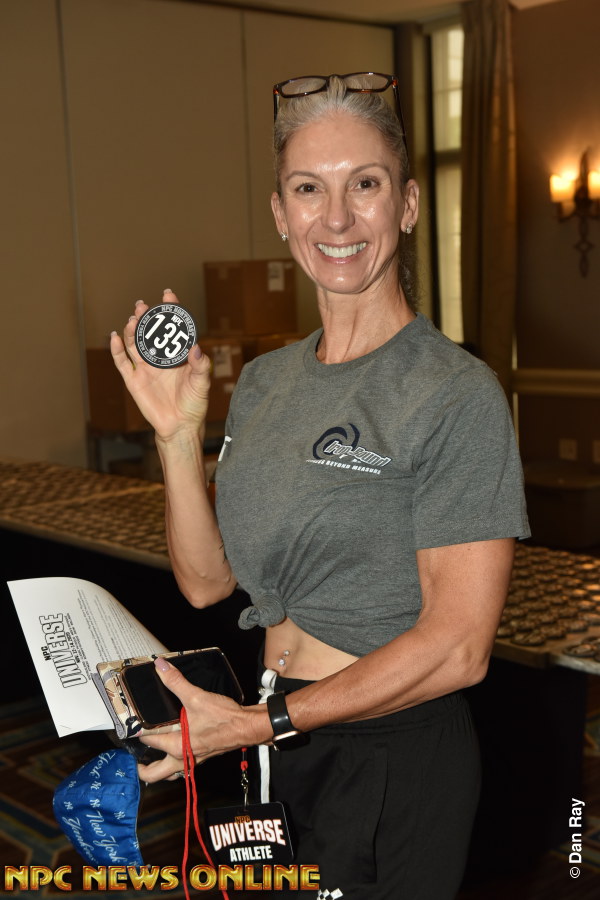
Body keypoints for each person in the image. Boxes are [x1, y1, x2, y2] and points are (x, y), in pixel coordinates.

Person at [111, 73, 529, 899]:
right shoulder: (266, 382)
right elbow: (207, 583)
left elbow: (460, 647)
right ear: (281, 213)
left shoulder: (454, 393)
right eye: (309, 189)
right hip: (275, 735)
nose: (336, 219)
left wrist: (259, 722)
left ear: (407, 204)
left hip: (390, 752)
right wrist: (176, 435)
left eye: (364, 185)